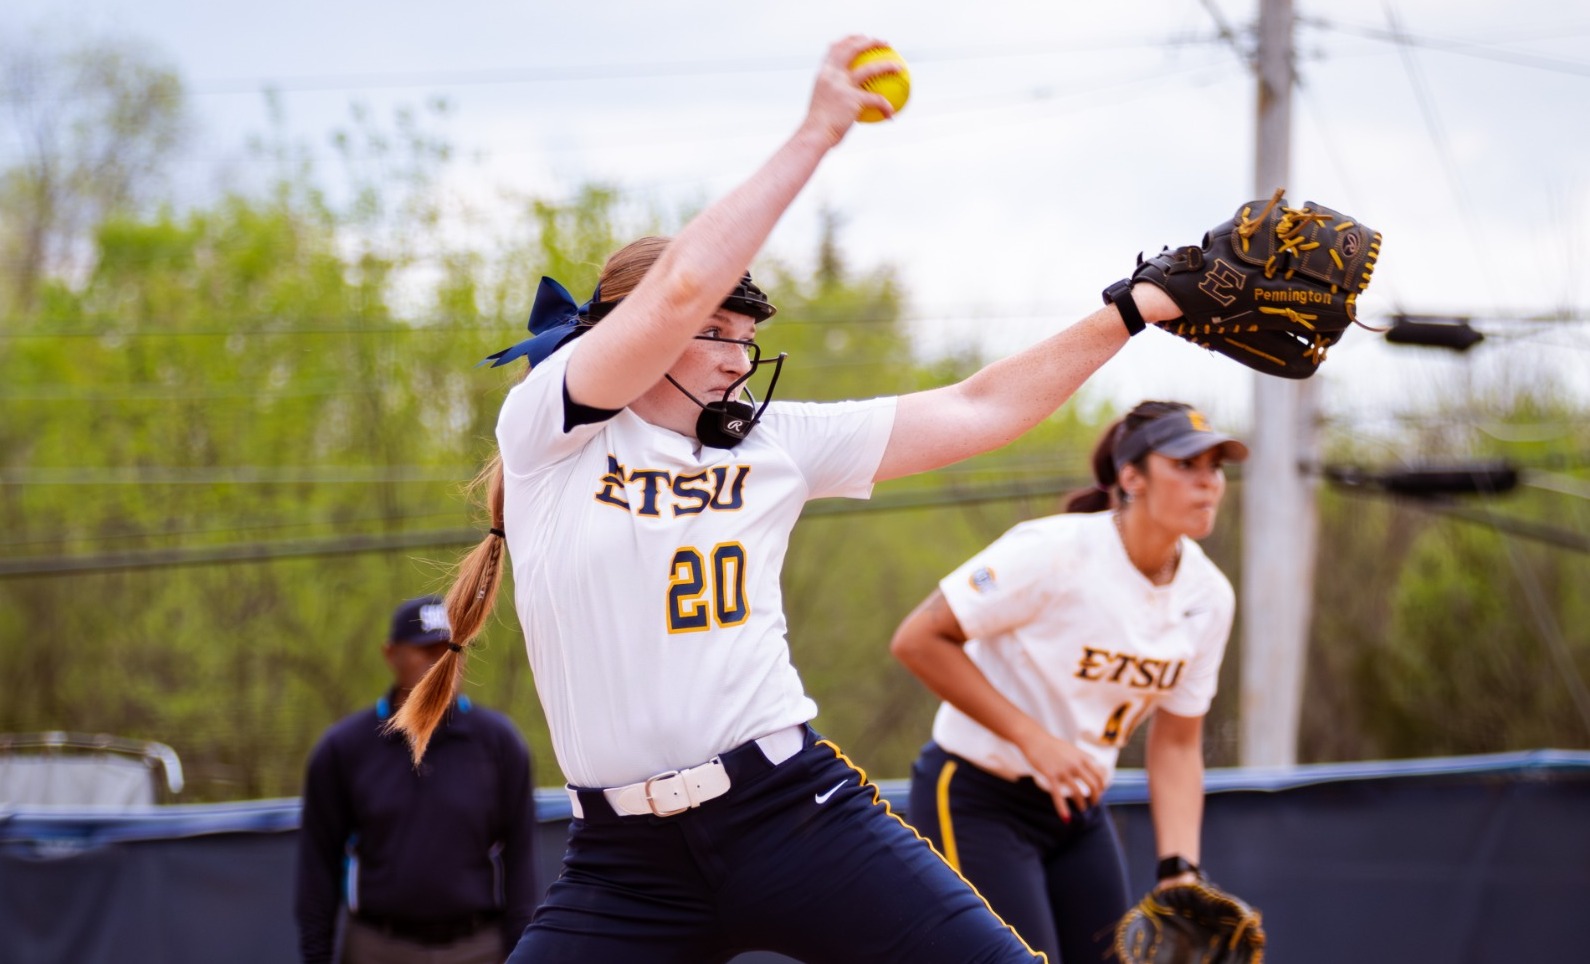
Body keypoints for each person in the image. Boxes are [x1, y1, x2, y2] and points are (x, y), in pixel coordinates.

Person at [391, 35, 1189, 964]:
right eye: (711, 333)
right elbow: (680, 281)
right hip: (624, 865)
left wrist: (1132, 308)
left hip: (796, 818)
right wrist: (817, 133)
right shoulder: (550, 432)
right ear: (624, 337)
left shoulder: (778, 442)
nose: (736, 356)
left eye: (746, 334)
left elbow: (981, 405)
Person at [889, 401, 1248, 963]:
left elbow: (1178, 741)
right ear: (1132, 476)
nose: (1207, 483)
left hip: (1077, 812)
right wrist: (1034, 738)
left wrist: (1179, 869)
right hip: (977, 795)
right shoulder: (1054, 551)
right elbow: (917, 639)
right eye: (1185, 465)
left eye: (1215, 467)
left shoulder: (1208, 596)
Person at [295, 595, 538, 964]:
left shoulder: (500, 744)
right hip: (378, 947)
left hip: (478, 947)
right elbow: (318, 866)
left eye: (451, 651)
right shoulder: (344, 749)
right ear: (391, 655)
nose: (441, 664)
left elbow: (521, 859)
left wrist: (523, 952)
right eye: (426, 652)